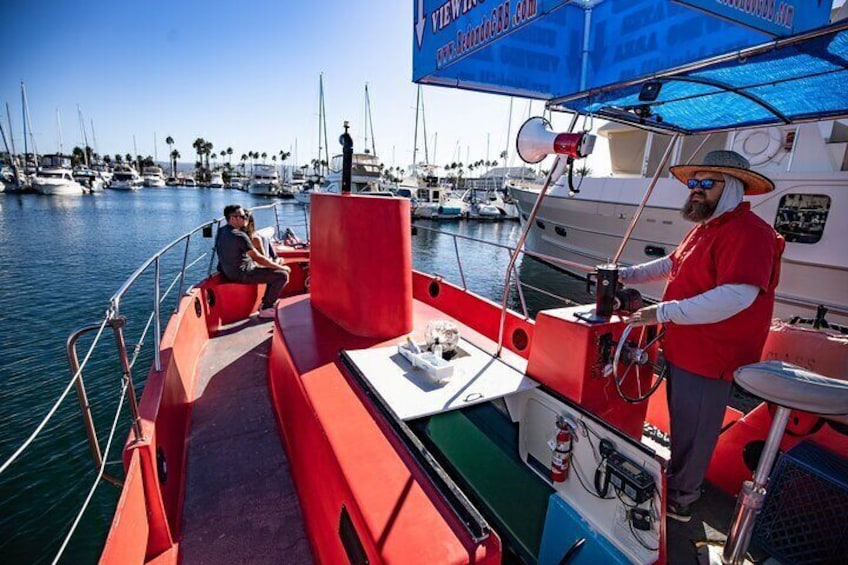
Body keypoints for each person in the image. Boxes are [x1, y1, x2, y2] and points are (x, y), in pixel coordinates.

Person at [621, 150, 784, 523]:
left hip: (712, 356)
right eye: (694, 183)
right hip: (684, 348)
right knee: (684, 422)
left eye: (707, 183)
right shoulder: (707, 227)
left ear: (734, 188)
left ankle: (681, 500)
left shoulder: (751, 233)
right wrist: (626, 274)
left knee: (694, 431)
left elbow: (736, 296)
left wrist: (662, 312)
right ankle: (679, 481)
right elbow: (671, 265)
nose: (695, 190)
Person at [215, 204, 291, 319]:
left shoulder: (221, 231)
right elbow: (258, 258)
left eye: (245, 215)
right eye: (242, 216)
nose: (246, 218)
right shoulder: (240, 235)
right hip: (243, 274)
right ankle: (266, 308)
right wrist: (280, 267)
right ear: (232, 218)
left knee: (272, 269)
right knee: (282, 275)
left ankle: (266, 303)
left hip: (229, 272)